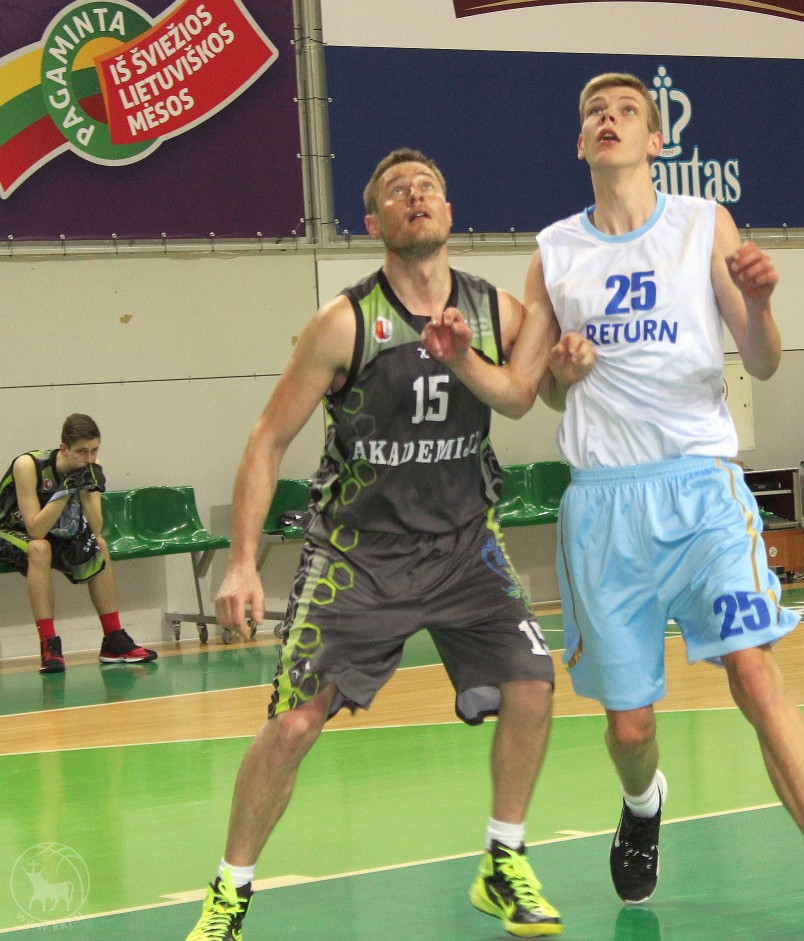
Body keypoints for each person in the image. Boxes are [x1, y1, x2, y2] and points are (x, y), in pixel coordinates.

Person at [421, 74, 804, 940]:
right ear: (580, 143)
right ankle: (643, 801)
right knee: (630, 726)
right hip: (606, 509)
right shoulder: (556, 250)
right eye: (594, 114)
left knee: (756, 674)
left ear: (656, 139)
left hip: (701, 489)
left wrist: (761, 302)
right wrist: (473, 360)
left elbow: (761, 359)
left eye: (626, 112)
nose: (608, 120)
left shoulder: (702, 223)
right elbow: (525, 393)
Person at [184, 148, 562, 941]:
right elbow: (266, 439)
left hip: (464, 547)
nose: (415, 195)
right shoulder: (345, 322)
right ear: (372, 222)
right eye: (397, 190)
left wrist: (573, 365)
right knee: (293, 725)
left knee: (533, 684)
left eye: (429, 186)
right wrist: (243, 561)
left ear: (449, 211)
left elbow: (546, 387)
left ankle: (503, 859)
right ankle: (229, 893)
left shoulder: (496, 312)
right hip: (358, 556)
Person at [0, 413, 157, 673]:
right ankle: (49, 645)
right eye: (82, 452)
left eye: (94, 450)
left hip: (51, 531)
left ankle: (113, 640)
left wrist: (84, 492)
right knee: (40, 549)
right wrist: (65, 490)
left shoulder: (91, 467)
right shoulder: (28, 465)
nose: (89, 458)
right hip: (9, 530)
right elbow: (35, 530)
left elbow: (96, 526)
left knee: (100, 545)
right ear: (64, 449)